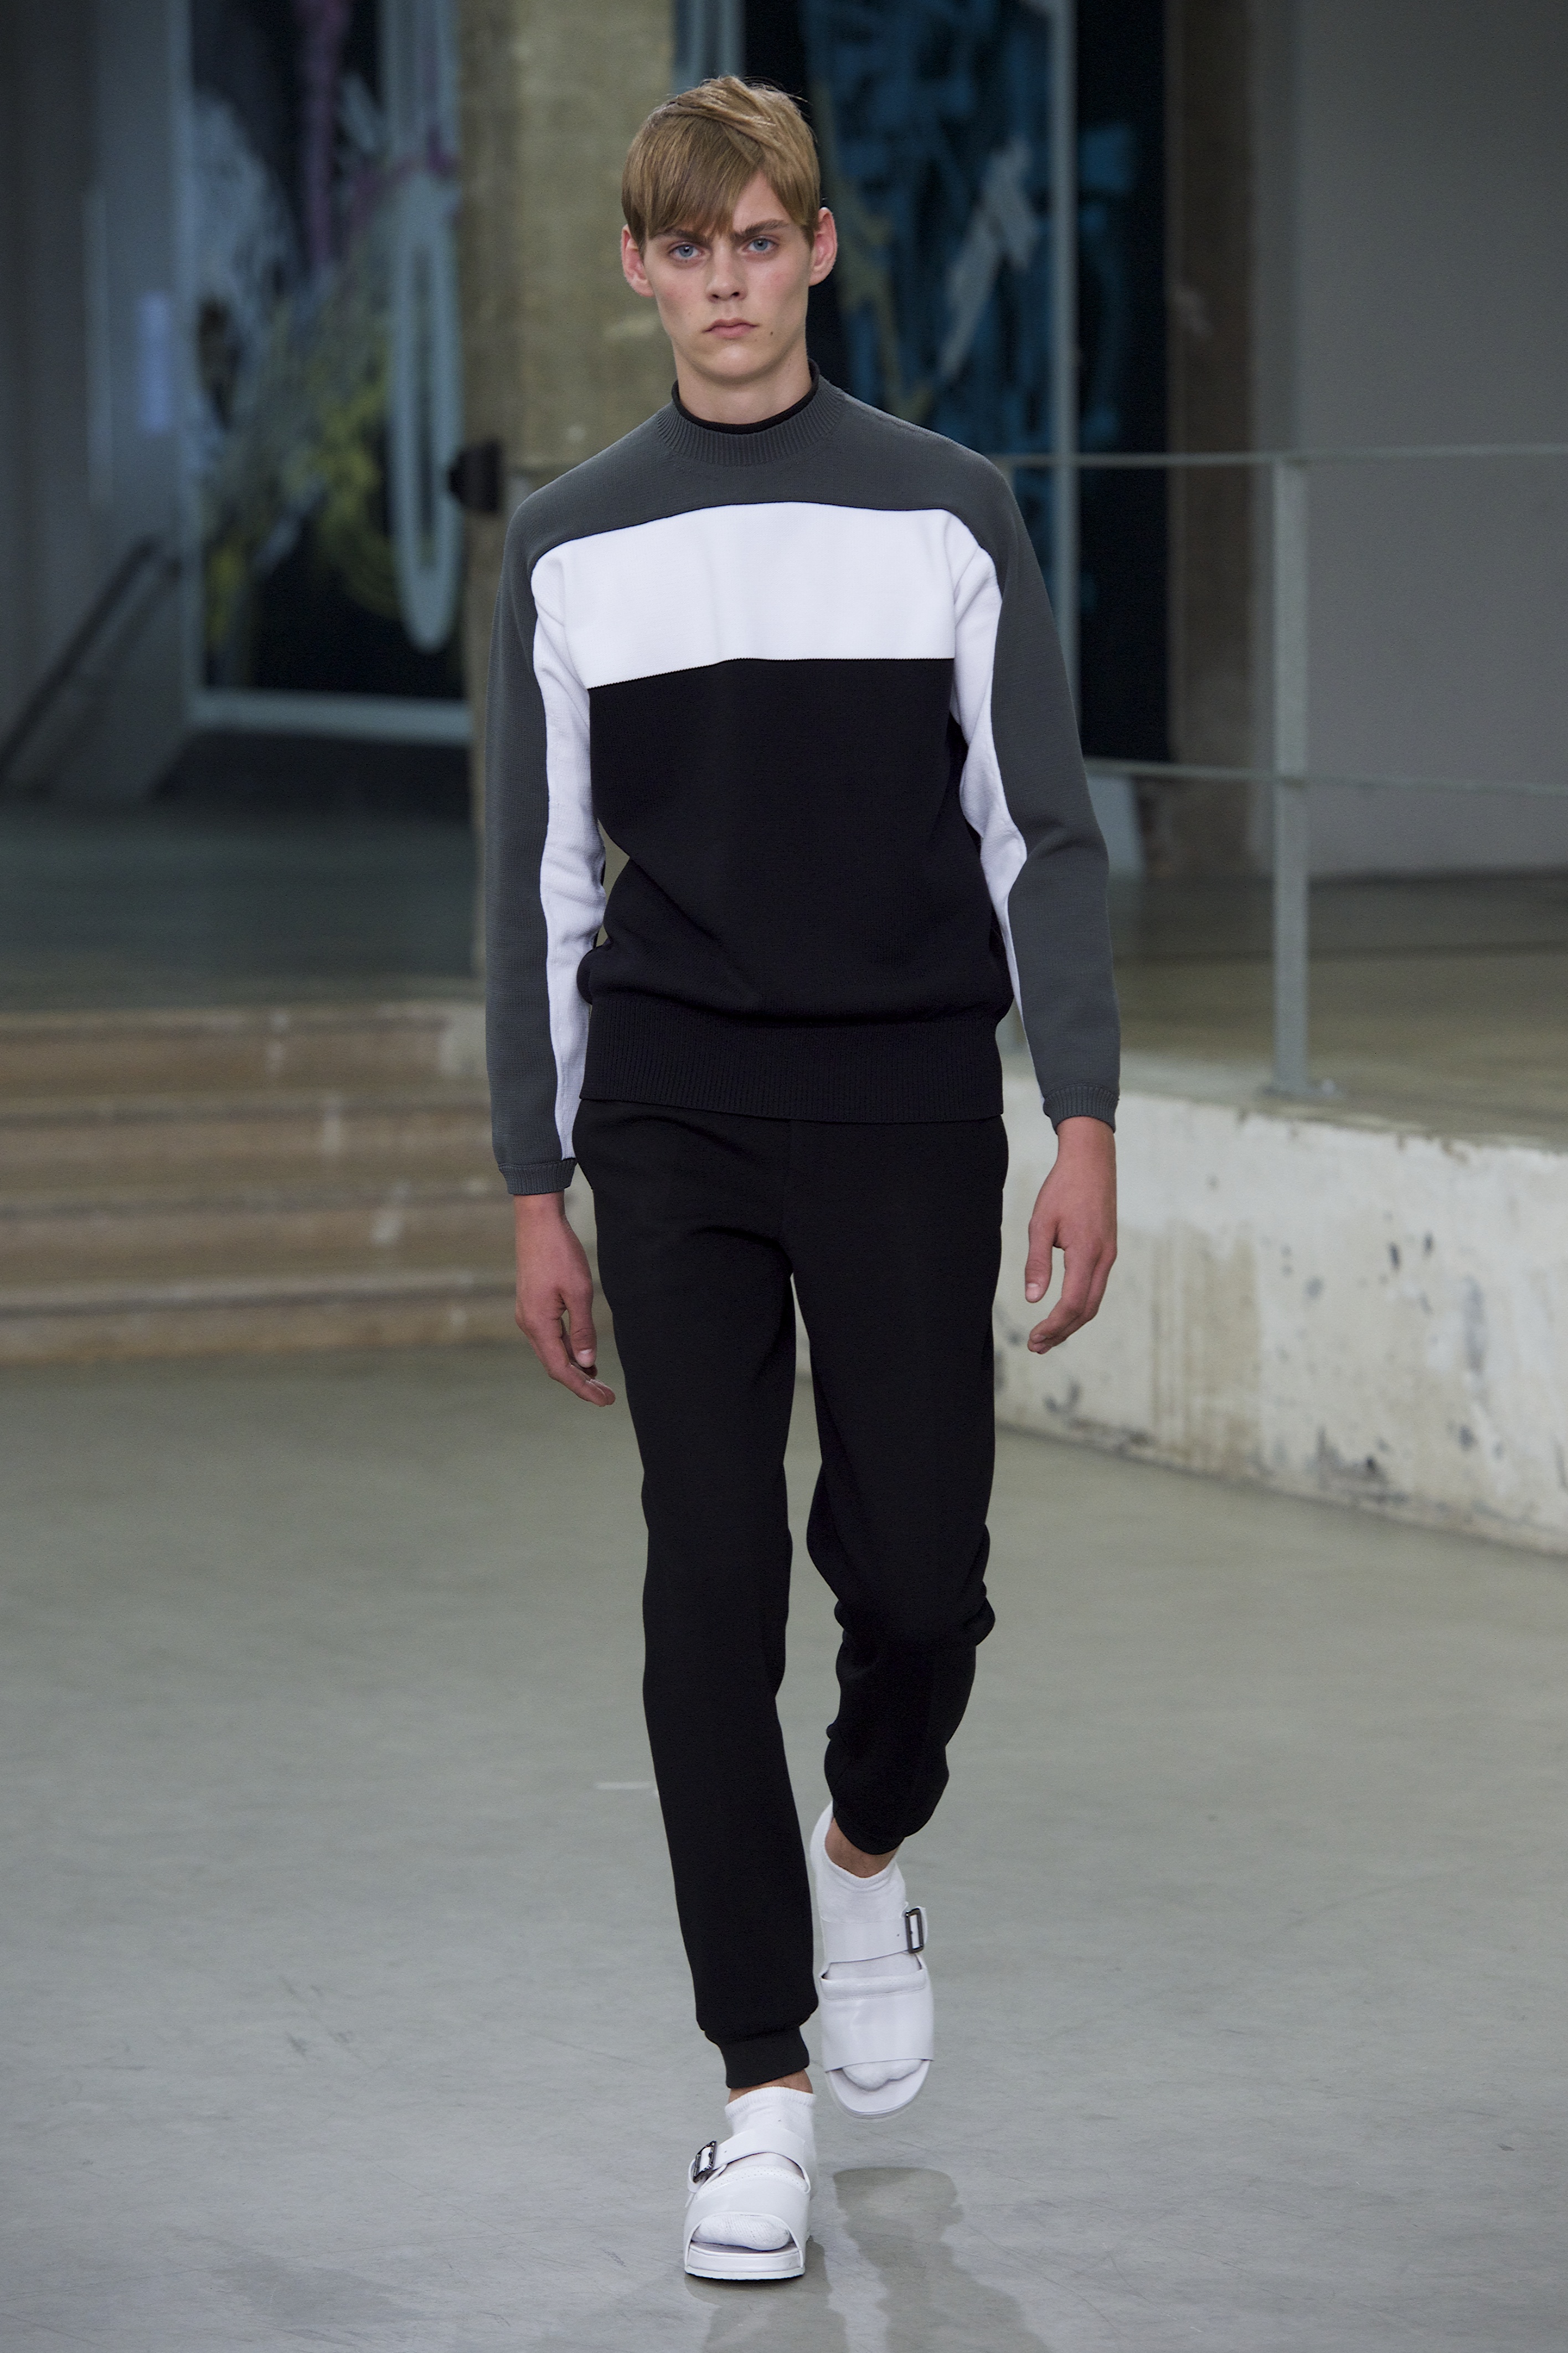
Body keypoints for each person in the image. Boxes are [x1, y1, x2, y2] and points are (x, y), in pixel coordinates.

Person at [484, 76, 1119, 2284]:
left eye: (763, 240)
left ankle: (865, 1842)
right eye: (691, 249)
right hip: (671, 1107)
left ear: (821, 250)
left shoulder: (949, 511)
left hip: (912, 1091)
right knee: (707, 1579)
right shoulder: (569, 543)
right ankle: (758, 2085)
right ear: (640, 271)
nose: (729, 283)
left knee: (924, 1576)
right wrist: (534, 1176)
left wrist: (1085, 1112)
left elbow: (1042, 829)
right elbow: (539, 881)